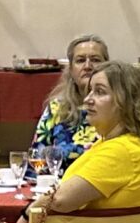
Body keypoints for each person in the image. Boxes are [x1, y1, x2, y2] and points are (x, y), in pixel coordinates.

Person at [29, 60, 140, 220]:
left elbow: (59, 200)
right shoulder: (118, 143)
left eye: (100, 92)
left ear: (126, 102)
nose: (87, 99)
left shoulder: (123, 150)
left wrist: (26, 214)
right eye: (90, 91)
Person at [32, 33, 111, 162]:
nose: (87, 66)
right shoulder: (57, 108)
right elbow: (37, 158)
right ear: (71, 69)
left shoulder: (117, 107)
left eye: (95, 60)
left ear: (107, 67)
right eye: (80, 60)